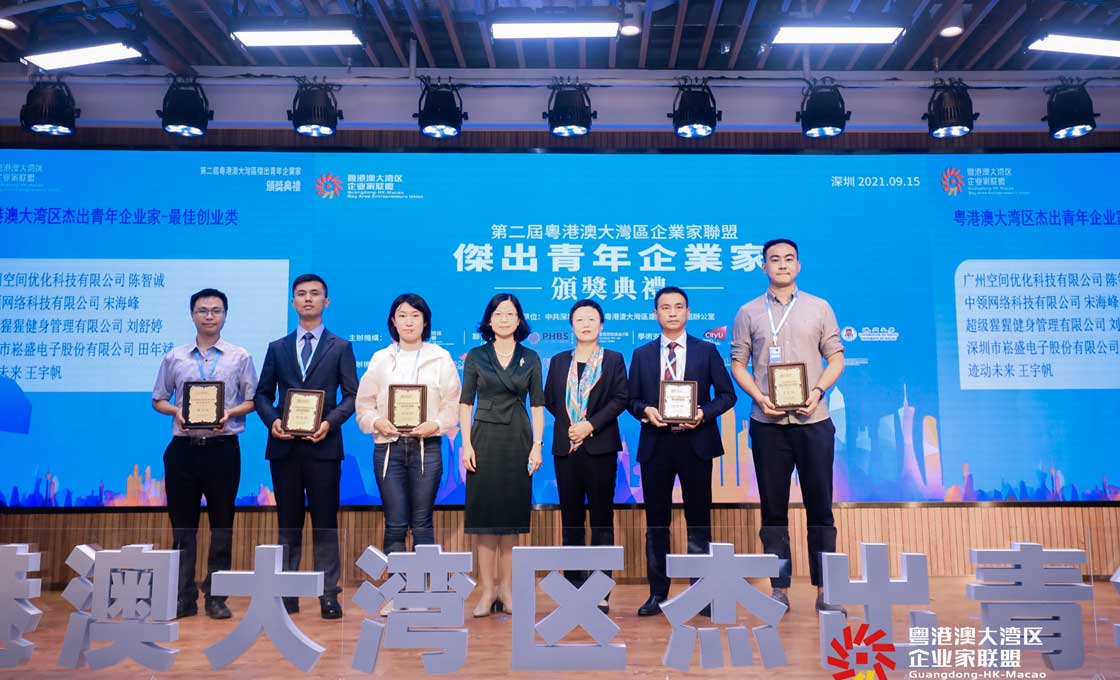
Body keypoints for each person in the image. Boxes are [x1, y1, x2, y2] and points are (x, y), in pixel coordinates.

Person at [730, 238, 846, 615]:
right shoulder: (748, 311)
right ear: (763, 266)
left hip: (814, 419)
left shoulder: (819, 307)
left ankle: (826, 588)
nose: (782, 264)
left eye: (789, 259)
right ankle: (778, 588)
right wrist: (759, 397)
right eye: (774, 259)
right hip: (768, 422)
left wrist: (818, 391)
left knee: (820, 508)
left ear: (798, 266)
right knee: (773, 510)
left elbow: (836, 358)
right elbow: (738, 363)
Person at [627, 286, 736, 617]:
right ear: (655, 314)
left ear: (688, 312)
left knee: (698, 520)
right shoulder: (642, 354)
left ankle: (701, 593)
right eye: (665, 307)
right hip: (656, 444)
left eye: (678, 307)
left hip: (696, 443)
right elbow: (631, 399)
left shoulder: (707, 351)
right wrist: (646, 410)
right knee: (656, 522)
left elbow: (727, 395)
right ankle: (657, 593)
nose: (672, 312)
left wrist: (702, 413)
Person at [255, 273, 358, 619]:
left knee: (325, 522)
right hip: (284, 448)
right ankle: (287, 593)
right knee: (288, 523)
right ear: (293, 302)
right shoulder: (277, 347)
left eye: (315, 294)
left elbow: (352, 395)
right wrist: (273, 421)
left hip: (323, 447)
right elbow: (262, 394)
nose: (308, 298)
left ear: (326, 302)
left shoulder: (340, 347)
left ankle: (329, 593)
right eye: (301, 294)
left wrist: (330, 422)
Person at [152, 288, 257, 620]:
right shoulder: (175, 357)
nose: (209, 316)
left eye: (215, 310)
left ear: (225, 315)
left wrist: (230, 412)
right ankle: (183, 597)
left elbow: (252, 400)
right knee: (183, 528)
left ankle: (216, 596)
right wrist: (176, 411)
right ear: (192, 315)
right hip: (183, 450)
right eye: (202, 310)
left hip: (222, 450)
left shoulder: (240, 356)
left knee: (222, 525)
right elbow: (158, 399)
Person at [356, 293, 461, 614]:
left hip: (427, 446)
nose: (409, 321)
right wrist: (377, 422)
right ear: (393, 321)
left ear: (425, 321)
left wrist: (436, 424)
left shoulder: (440, 357)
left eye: (415, 315)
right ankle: (396, 593)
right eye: (402, 315)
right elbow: (364, 404)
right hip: (388, 448)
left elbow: (453, 404)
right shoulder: (380, 359)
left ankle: (420, 593)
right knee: (395, 523)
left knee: (423, 522)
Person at [459, 293, 545, 618]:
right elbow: (465, 403)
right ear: (489, 320)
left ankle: (507, 590)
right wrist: (466, 444)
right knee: (484, 522)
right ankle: (486, 590)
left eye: (510, 313)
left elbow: (538, 405)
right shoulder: (476, 356)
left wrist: (537, 445)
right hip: (483, 438)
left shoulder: (531, 357)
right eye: (498, 313)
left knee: (510, 522)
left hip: (517, 438)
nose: (504, 319)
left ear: (519, 320)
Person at [543, 299, 628, 614]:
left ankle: (600, 590)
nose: (586, 324)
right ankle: (573, 588)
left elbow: (621, 398)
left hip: (600, 447)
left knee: (602, 519)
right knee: (571, 520)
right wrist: (573, 427)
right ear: (572, 325)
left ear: (601, 325)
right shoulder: (559, 361)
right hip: (567, 449)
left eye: (592, 319)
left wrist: (589, 425)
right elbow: (551, 400)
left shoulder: (614, 359)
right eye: (580, 319)